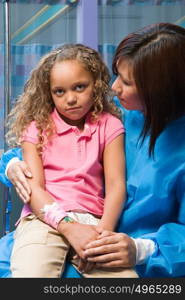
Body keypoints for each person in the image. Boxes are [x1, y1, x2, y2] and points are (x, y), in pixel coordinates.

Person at [1, 22, 185, 278]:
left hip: (108, 245)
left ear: (162, 91)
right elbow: (58, 153)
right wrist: (11, 164)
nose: (114, 88)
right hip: (50, 225)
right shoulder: (128, 115)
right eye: (116, 75)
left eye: (127, 82)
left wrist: (142, 249)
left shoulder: (115, 124)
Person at [3, 43, 138, 278]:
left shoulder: (110, 125)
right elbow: (35, 189)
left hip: (93, 222)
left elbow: (116, 185)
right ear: (49, 92)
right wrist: (66, 225)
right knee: (30, 276)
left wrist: (102, 234)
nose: (71, 99)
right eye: (60, 91)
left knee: (126, 282)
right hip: (43, 218)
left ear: (95, 84)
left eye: (79, 87)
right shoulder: (35, 128)